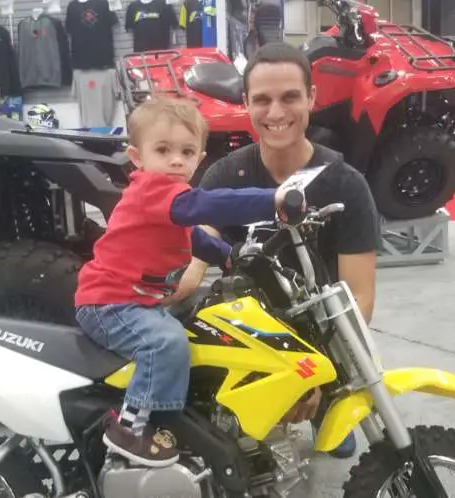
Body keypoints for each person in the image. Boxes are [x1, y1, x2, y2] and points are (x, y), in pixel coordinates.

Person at [173, 42, 380, 459]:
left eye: (290, 97)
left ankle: (329, 399)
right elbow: (191, 253)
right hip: (249, 333)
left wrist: (318, 374)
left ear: (312, 98)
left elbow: (360, 298)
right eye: (262, 100)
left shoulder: (346, 185)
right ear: (246, 103)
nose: (276, 113)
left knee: (336, 435)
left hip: (318, 336)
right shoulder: (226, 175)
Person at [74, 97, 295, 468]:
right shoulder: (153, 190)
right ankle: (130, 428)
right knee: (165, 342)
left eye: (187, 151)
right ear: (137, 156)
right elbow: (206, 207)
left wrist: (229, 256)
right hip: (108, 302)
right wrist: (273, 199)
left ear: (200, 158)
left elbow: (193, 236)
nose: (176, 160)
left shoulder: (168, 203)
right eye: (163, 150)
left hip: (135, 301)